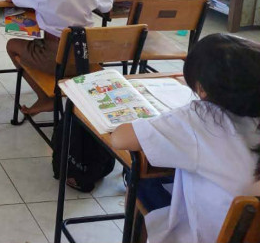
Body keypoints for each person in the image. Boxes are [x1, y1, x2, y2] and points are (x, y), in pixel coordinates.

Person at [111, 34, 260, 243]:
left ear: (201, 88)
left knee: (141, 181)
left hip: (213, 235)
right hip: (249, 231)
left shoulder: (201, 118)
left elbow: (119, 139)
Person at [5, 0, 114, 115]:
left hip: (55, 57)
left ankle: (45, 98)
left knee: (12, 45)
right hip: (87, 57)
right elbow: (107, 6)